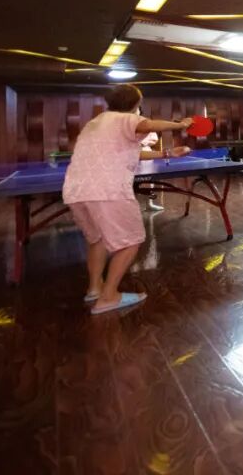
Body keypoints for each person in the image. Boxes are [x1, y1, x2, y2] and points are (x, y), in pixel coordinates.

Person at [63, 84, 193, 315]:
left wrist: (168, 153)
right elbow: (148, 125)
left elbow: (130, 152)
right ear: (136, 104)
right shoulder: (127, 119)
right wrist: (181, 124)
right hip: (107, 190)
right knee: (131, 241)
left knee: (97, 239)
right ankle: (108, 297)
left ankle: (94, 288)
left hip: (76, 191)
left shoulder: (96, 123)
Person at [139, 132, 164, 211]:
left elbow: (154, 139)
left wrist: (143, 143)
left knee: (148, 179)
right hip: (127, 154)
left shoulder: (148, 128)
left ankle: (149, 204)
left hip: (146, 153)